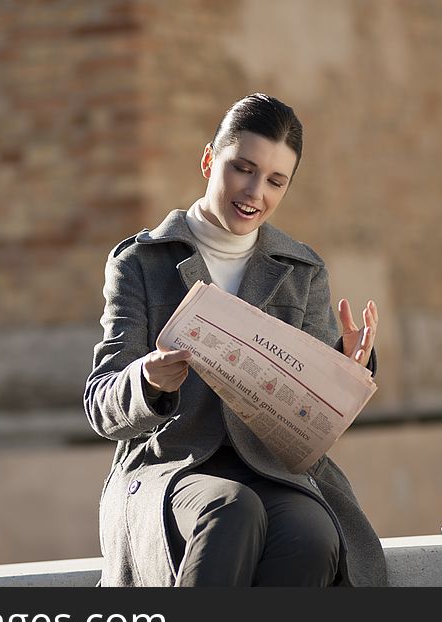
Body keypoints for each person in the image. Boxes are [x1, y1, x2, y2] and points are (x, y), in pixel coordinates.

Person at [84, 93, 387, 586]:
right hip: (169, 468)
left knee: (313, 533)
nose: (255, 192)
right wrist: (148, 380)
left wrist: (346, 369)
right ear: (209, 160)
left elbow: (314, 424)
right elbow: (100, 403)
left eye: (275, 180)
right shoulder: (140, 263)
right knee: (231, 509)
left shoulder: (301, 271)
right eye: (242, 169)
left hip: (273, 471)